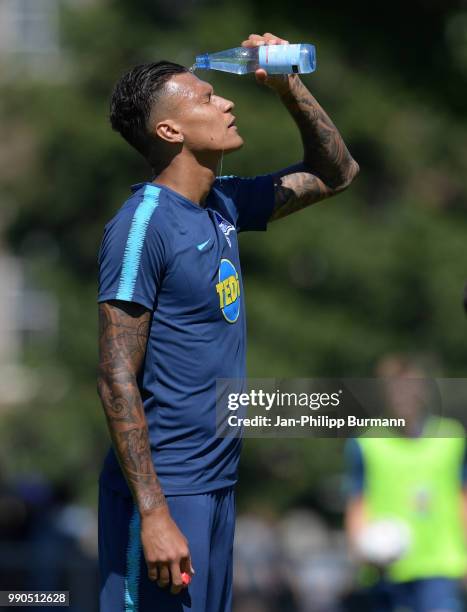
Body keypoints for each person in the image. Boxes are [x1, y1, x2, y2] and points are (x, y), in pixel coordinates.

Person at [97, 32, 359, 612]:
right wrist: (155, 514)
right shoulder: (142, 225)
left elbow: (337, 172)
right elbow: (115, 375)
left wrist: (290, 87)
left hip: (217, 485)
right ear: (171, 131)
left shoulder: (223, 205)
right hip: (168, 493)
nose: (227, 104)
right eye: (208, 99)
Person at [344, 355, 467, 612]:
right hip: (385, 568)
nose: (403, 396)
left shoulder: (452, 436)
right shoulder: (366, 442)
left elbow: (462, 498)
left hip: (441, 566)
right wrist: (360, 550)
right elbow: (357, 501)